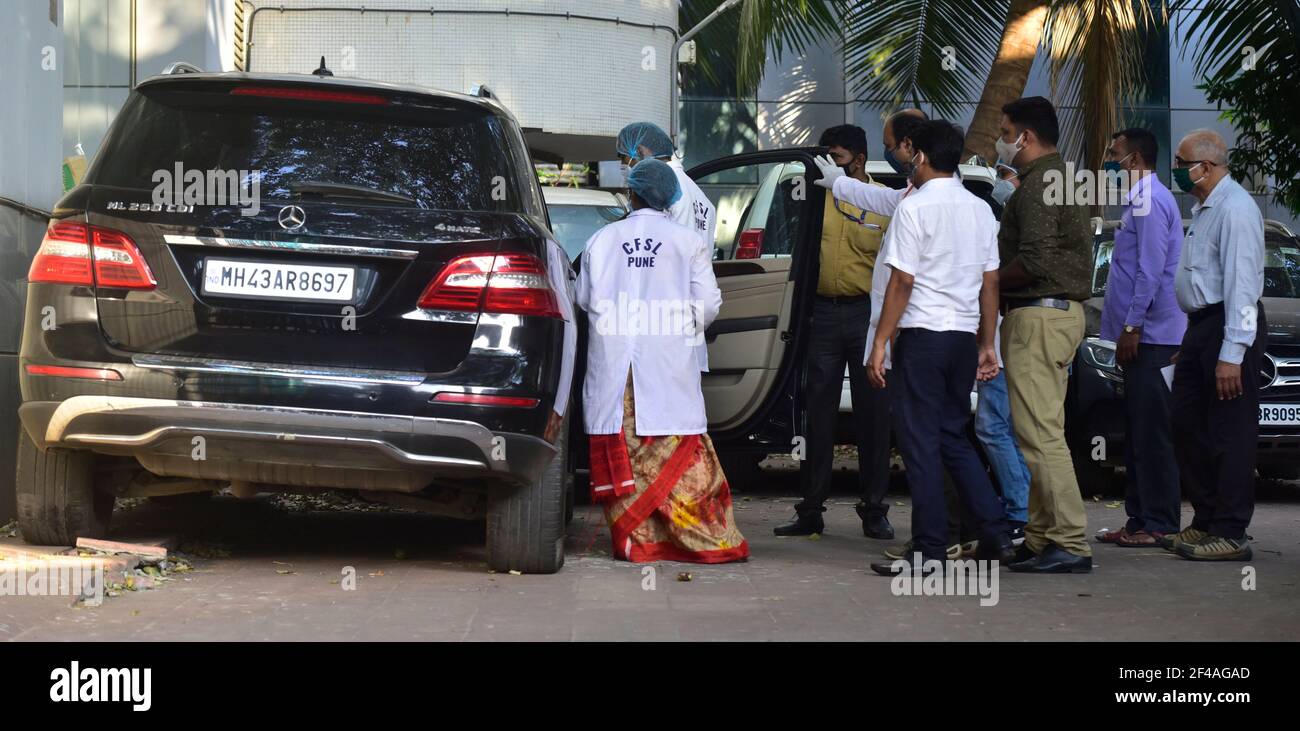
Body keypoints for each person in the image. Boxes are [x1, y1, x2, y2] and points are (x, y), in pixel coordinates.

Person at [850, 119, 1015, 576]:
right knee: (952, 437)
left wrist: (880, 342)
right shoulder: (980, 209)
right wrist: (988, 343)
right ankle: (997, 533)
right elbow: (990, 282)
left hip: (922, 338)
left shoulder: (914, 208)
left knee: (921, 446)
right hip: (963, 340)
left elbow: (902, 281)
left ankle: (928, 549)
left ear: (918, 156)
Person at [575, 159, 748, 563]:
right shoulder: (687, 241)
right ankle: (699, 541)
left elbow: (583, 299)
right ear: (669, 195)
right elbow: (707, 306)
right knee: (679, 448)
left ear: (630, 193)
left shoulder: (601, 240)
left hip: (616, 373)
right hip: (667, 365)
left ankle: (638, 541)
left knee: (628, 450)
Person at [773, 124, 894, 540]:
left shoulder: (883, 201)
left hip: (867, 314)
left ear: (859, 159)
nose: (829, 166)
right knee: (816, 415)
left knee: (873, 417)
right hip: (822, 312)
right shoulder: (815, 197)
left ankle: (875, 509)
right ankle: (810, 509)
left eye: (837, 158)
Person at [995, 96, 1095, 574]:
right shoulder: (1061, 179)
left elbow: (1032, 261)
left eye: (1004, 130)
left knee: (1039, 436)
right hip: (1055, 315)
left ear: (1025, 137)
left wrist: (987, 280)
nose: (1001, 140)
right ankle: (1041, 537)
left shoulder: (1037, 187)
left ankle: (1070, 541)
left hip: (1038, 314)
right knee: (1035, 431)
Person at [1167, 129, 1265, 561]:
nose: (1176, 169)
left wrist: (1231, 354)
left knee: (1229, 432)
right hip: (1203, 327)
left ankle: (1231, 531)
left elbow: (1243, 285)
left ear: (1205, 167)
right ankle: (1206, 519)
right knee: (1188, 423)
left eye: (1180, 161)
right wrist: (1195, 343)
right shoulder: (1205, 207)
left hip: (1230, 325)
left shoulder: (1236, 209)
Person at [1095, 128, 1187, 548]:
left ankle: (1160, 523)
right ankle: (1138, 520)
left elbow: (1150, 271)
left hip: (1151, 336)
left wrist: (1132, 327)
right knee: (1137, 432)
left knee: (1152, 433)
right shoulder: (1141, 200)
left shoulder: (1149, 201)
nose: (1108, 163)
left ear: (1133, 160)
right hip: (1140, 336)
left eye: (1113, 155)